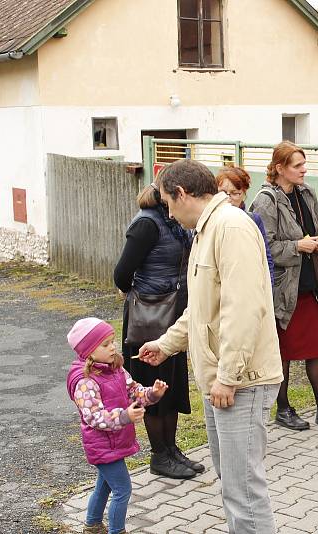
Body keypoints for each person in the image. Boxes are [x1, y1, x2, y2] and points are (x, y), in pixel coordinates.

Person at [138, 158, 283, 534]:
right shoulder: (207, 230)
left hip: (239, 382)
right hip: (220, 379)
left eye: (168, 203)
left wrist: (230, 376)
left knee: (244, 489)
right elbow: (203, 307)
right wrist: (167, 344)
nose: (168, 213)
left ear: (182, 194)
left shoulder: (231, 227)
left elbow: (244, 308)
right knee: (231, 482)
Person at [251, 141, 318, 431]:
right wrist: (298, 246)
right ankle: (283, 409)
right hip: (282, 289)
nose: (304, 170)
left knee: (316, 349)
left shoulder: (307, 192)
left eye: (304, 164)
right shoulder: (265, 201)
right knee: (283, 353)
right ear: (279, 168)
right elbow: (263, 246)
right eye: (297, 165)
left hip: (308, 286)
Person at [114, 178, 200, 480]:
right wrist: (144, 295)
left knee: (171, 384)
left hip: (174, 315)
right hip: (149, 317)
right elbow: (122, 274)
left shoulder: (174, 221)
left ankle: (172, 449)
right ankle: (159, 455)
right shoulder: (147, 224)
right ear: (168, 194)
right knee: (151, 385)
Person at [66, 317, 168, 534]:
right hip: (101, 444)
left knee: (104, 486)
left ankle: (92, 525)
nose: (113, 347)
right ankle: (116, 530)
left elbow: (133, 391)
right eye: (105, 344)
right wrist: (124, 417)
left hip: (114, 442)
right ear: (89, 351)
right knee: (122, 489)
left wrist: (152, 393)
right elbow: (94, 417)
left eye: (112, 341)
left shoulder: (116, 370)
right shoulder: (85, 381)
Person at [215, 166, 275, 284]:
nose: (228, 199)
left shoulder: (253, 220)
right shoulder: (210, 220)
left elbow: (266, 259)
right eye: (222, 193)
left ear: (243, 194)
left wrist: (268, 290)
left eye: (235, 193)